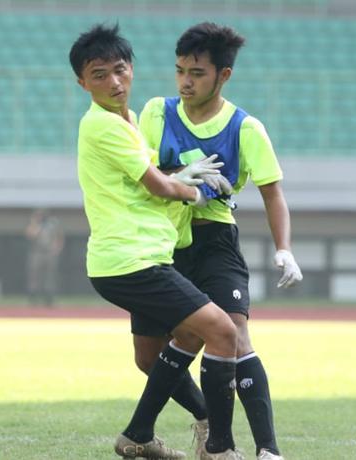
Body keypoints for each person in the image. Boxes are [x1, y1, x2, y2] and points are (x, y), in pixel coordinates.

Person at [70, 24, 243, 460]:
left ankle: (137, 436)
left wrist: (177, 177)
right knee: (222, 330)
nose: (113, 82)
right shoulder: (104, 127)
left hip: (134, 259)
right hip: (133, 261)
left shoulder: (127, 121)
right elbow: (159, 187)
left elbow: (151, 181)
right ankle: (219, 447)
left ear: (132, 70)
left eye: (119, 70)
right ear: (82, 82)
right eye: (98, 74)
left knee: (151, 356)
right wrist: (198, 189)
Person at [138, 22, 304, 460]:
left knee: (235, 333)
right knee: (147, 356)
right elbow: (142, 174)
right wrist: (177, 178)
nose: (185, 82)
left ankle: (268, 450)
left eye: (196, 73)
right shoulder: (156, 112)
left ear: (223, 75)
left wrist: (284, 248)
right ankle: (205, 415)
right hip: (160, 240)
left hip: (214, 239)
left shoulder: (247, 129)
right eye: (179, 71)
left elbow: (273, 193)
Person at [25, 208, 64, 306]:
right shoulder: (35, 224)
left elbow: (59, 237)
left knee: (50, 276)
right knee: (35, 276)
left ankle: (49, 299)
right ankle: (33, 298)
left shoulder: (53, 224)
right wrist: (35, 223)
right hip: (37, 253)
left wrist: (57, 249)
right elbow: (30, 235)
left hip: (49, 253)